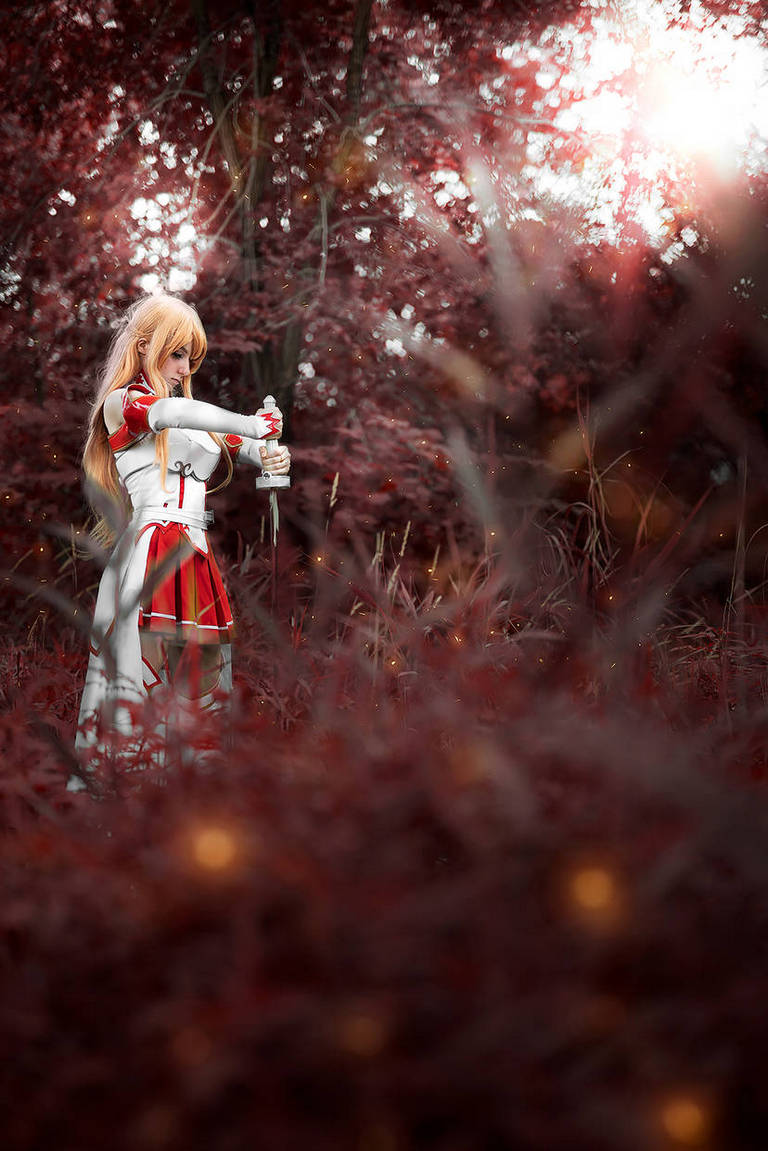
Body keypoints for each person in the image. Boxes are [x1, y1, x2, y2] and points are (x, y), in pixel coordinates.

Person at [71, 292, 290, 784]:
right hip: (149, 552)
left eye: (191, 356)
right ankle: (130, 793)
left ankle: (191, 798)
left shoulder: (195, 416)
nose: (184, 365)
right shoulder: (123, 404)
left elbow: (251, 447)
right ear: (146, 345)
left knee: (200, 684)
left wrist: (273, 453)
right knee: (140, 678)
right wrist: (251, 423)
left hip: (194, 555)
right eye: (176, 352)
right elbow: (171, 416)